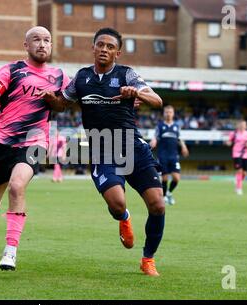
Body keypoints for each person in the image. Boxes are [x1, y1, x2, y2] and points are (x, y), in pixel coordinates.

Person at [39, 27, 165, 276]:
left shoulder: (127, 74)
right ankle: (124, 218)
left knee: (158, 205)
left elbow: (157, 100)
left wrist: (136, 92)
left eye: (110, 47)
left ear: (117, 53)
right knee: (118, 205)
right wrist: (47, 98)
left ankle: (148, 259)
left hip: (132, 147)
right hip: (101, 148)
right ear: (93, 47)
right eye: (100, 45)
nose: (104, 50)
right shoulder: (82, 77)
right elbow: (63, 103)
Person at [0, 26, 70, 271]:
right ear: (26, 45)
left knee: (16, 186)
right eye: (36, 40)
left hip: (34, 141)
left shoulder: (60, 76)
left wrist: (54, 101)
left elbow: (66, 105)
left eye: (47, 40)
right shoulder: (12, 70)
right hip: (2, 142)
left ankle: (10, 251)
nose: (42, 44)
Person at [149, 105, 189, 205]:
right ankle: (164, 197)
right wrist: (153, 141)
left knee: (176, 178)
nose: (168, 114)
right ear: (164, 113)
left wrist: (184, 147)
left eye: (170, 112)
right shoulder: (160, 126)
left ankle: (169, 193)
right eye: (166, 112)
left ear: (173, 113)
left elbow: (180, 138)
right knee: (165, 178)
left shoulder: (176, 126)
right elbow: (155, 136)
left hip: (174, 156)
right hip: (163, 156)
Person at [226, 120, 247, 195]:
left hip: (245, 155)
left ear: (246, 126)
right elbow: (229, 141)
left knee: (245, 173)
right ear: (238, 125)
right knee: (239, 171)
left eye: (244, 125)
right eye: (241, 125)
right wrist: (228, 143)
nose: (242, 126)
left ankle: (238, 180)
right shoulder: (234, 133)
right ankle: (239, 188)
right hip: (236, 154)